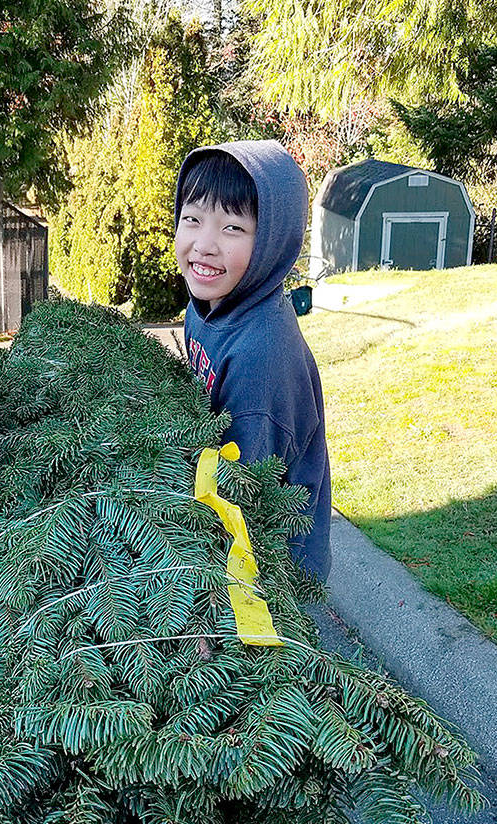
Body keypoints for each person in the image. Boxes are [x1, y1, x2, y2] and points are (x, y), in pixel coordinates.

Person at [174, 141, 332, 581]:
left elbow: (242, 495)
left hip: (273, 561)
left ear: (271, 243)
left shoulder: (261, 357)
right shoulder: (206, 303)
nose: (204, 245)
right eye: (193, 219)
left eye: (232, 229)